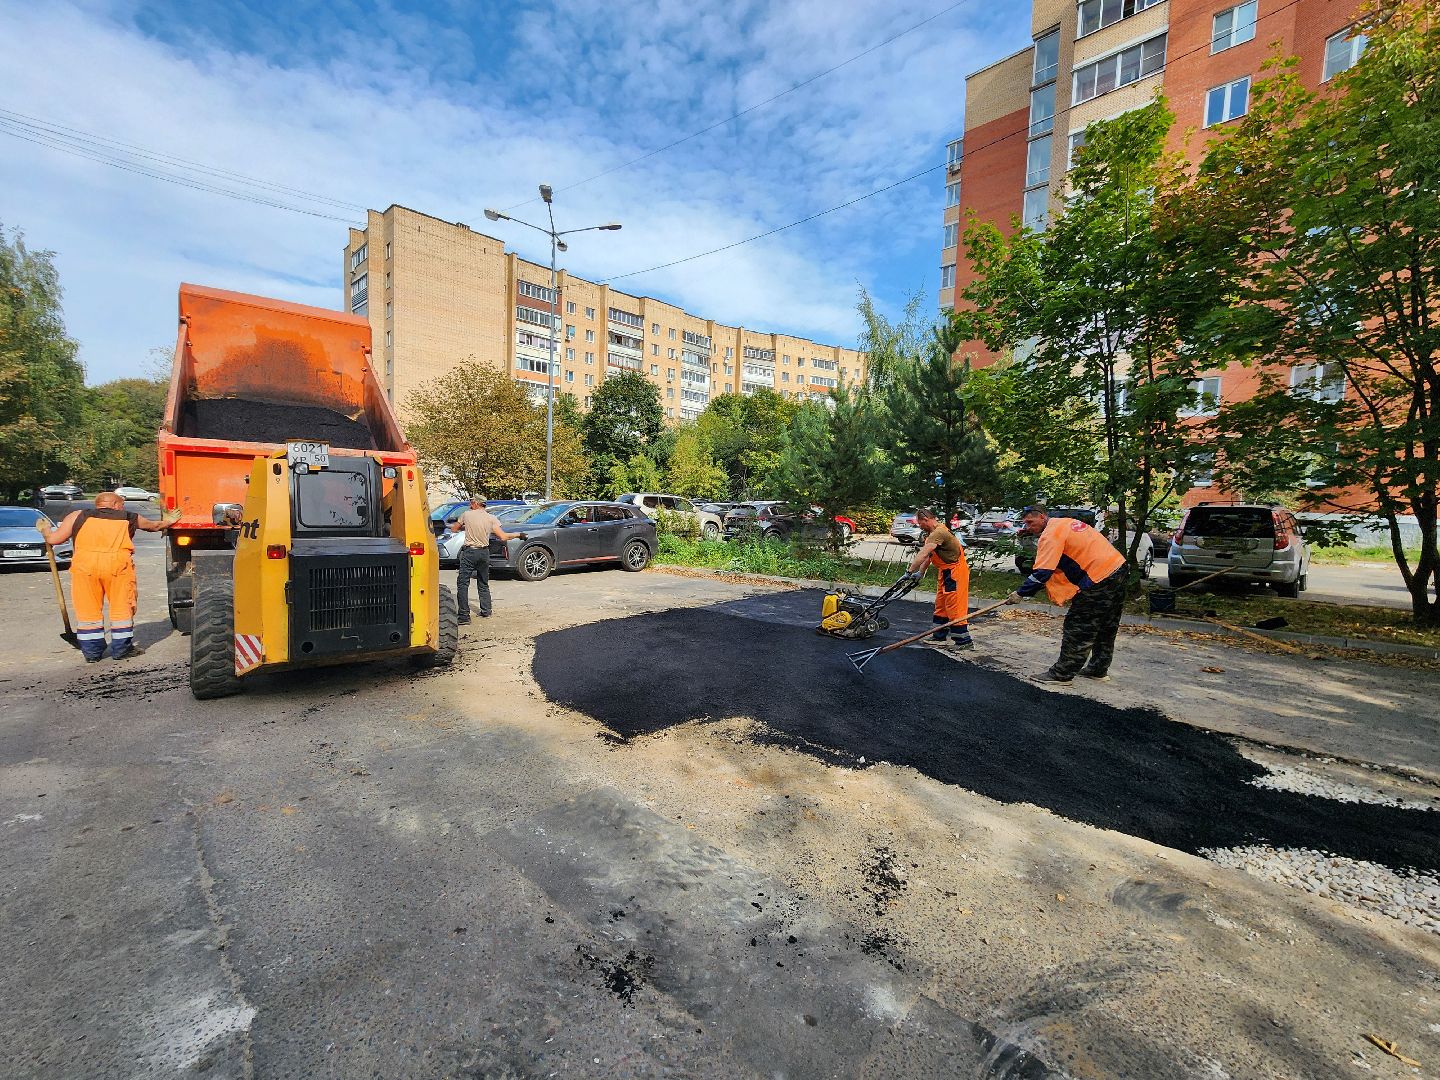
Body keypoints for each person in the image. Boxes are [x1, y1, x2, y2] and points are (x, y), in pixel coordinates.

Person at [36, 492, 179, 662]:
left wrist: (45, 530)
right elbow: (154, 526)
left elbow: (54, 539)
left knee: (87, 610)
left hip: (85, 567)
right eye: (121, 503)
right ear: (114, 504)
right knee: (122, 608)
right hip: (117, 566)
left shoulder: (77, 516)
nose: (122, 507)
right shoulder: (128, 517)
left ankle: (92, 653)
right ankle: (121, 650)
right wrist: (168, 521)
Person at [1005, 505, 1128, 683]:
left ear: (1042, 517)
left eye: (1031, 522)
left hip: (1099, 577)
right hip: (1117, 568)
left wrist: (1020, 593)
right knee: (1106, 624)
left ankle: (1062, 673)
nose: (1029, 527)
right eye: (1025, 524)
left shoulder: (1050, 535)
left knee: (1079, 625)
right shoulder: (1064, 523)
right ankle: (1098, 668)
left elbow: (1042, 573)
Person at [901, 507, 972, 650]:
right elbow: (929, 556)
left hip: (955, 572)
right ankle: (939, 635)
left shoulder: (938, 533)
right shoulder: (932, 533)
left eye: (919, 523)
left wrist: (909, 572)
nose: (919, 526)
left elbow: (923, 553)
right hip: (945, 571)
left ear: (925, 520)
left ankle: (964, 642)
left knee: (954, 605)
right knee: (941, 603)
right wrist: (920, 573)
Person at [450, 497, 519, 624]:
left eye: (471, 502)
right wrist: (519, 535)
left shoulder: (467, 514)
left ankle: (464, 616)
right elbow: (503, 536)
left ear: (476, 503)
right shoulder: (491, 518)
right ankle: (486, 610)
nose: (470, 504)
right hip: (484, 553)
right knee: (483, 582)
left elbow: (454, 529)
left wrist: (466, 528)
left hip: (469, 552)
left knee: (463, 583)